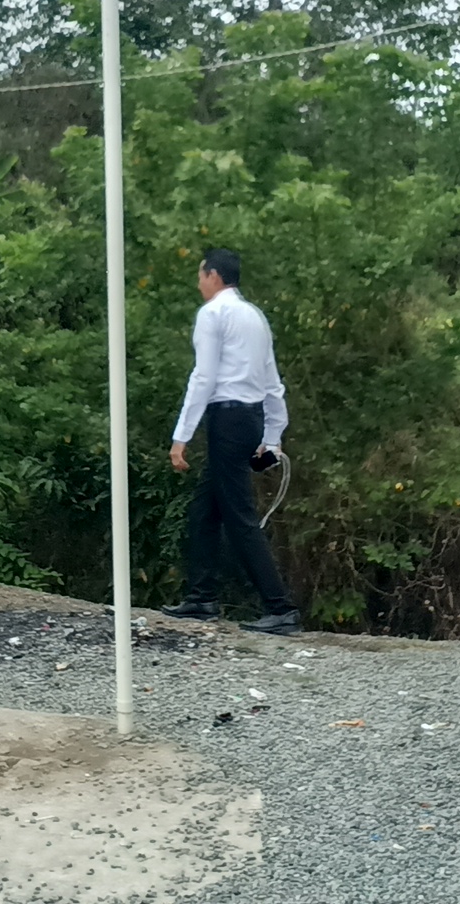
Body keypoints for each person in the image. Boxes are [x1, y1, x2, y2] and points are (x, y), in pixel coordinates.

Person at [159, 249, 301, 636]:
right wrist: (272, 436)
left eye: (200, 275)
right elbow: (272, 382)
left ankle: (280, 607)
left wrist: (181, 436)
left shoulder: (213, 315)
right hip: (251, 417)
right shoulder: (255, 317)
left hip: (227, 417)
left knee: (239, 515)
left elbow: (203, 377)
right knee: (204, 510)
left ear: (214, 276)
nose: (199, 283)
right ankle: (201, 596)